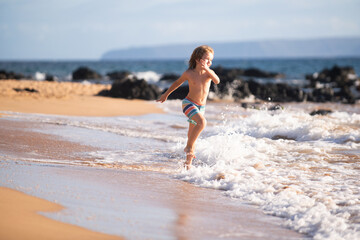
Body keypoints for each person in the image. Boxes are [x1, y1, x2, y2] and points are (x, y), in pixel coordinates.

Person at [156, 45, 220, 169]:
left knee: (192, 135)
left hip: (201, 107)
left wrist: (207, 69)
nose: (209, 62)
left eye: (211, 60)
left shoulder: (209, 73)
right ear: (198, 59)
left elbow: (217, 81)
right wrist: (165, 94)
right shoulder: (189, 73)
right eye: (207, 59)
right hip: (189, 104)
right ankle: (189, 147)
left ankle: (188, 164)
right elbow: (177, 83)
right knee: (202, 123)